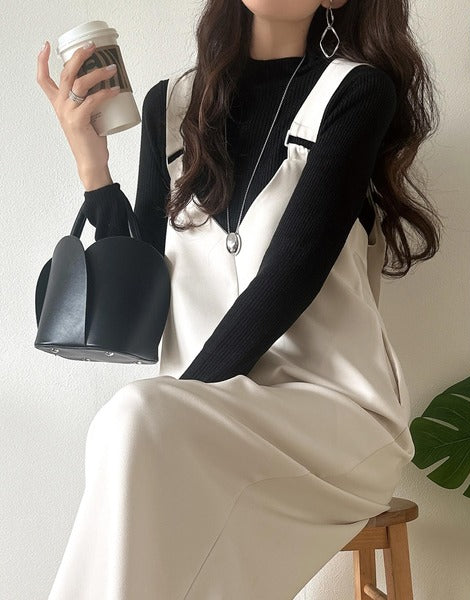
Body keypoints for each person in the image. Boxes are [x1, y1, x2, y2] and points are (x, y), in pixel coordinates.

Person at [37, 1, 441, 598]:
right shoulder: (171, 106)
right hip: (197, 419)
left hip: (331, 421)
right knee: (133, 424)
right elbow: (145, 291)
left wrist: (174, 411)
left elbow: (290, 277)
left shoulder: (355, 93)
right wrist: (92, 167)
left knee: (134, 419)